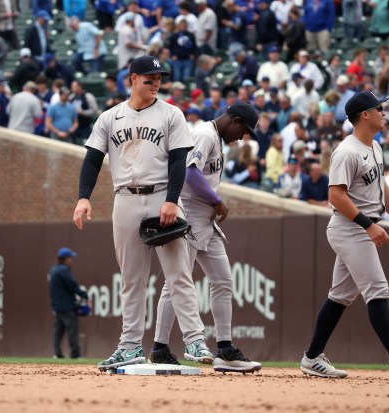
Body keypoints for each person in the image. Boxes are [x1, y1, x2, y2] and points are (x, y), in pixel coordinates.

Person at [72, 55, 212, 370]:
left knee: (178, 274)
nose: (156, 82)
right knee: (132, 279)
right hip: (124, 198)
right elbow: (93, 159)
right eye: (149, 77)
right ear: (133, 78)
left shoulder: (171, 114)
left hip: (161, 194)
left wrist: (172, 200)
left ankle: (195, 340)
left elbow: (179, 160)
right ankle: (130, 346)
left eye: (159, 77)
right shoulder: (110, 117)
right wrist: (83, 198)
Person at [300, 91, 389, 380]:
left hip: (359, 226)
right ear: (365, 115)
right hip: (349, 227)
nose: (384, 112)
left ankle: (312, 357)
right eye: (379, 108)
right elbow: (335, 196)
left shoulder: (373, 147)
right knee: (377, 289)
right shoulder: (346, 151)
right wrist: (368, 225)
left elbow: (383, 190)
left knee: (339, 297)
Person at [153, 103, 263, 371]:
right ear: (234, 120)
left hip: (207, 222)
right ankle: (159, 347)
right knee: (176, 283)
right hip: (189, 218)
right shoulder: (204, 133)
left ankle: (225, 350)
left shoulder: (215, 137)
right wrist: (216, 199)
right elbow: (190, 172)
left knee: (223, 281)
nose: (242, 137)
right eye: (243, 129)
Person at [48, 247, 88, 359]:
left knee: (58, 331)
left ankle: (57, 354)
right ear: (66, 259)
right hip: (66, 307)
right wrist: (84, 294)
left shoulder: (53, 270)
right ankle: (75, 354)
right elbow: (73, 285)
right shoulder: (64, 270)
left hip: (57, 306)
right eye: (71, 258)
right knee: (72, 330)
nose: (72, 260)